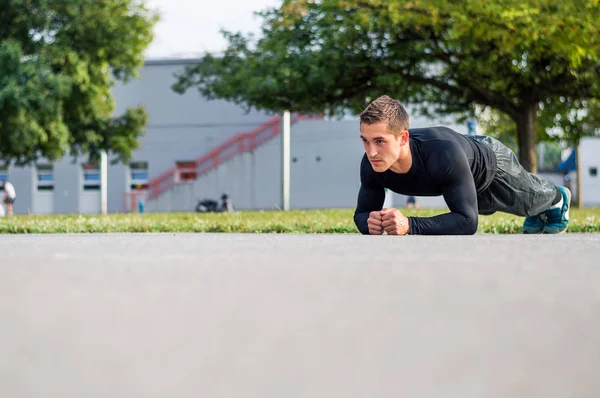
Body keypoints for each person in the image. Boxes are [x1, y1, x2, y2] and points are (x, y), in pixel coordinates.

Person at [353, 95, 571, 236]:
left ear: (402, 139)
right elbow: (361, 214)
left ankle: (558, 198)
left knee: (529, 200)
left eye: (380, 141)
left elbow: (467, 222)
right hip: (462, 168)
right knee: (495, 207)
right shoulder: (372, 164)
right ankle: (536, 213)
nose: (371, 152)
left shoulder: (442, 155)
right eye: (365, 140)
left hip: (490, 163)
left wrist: (410, 225)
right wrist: (370, 223)